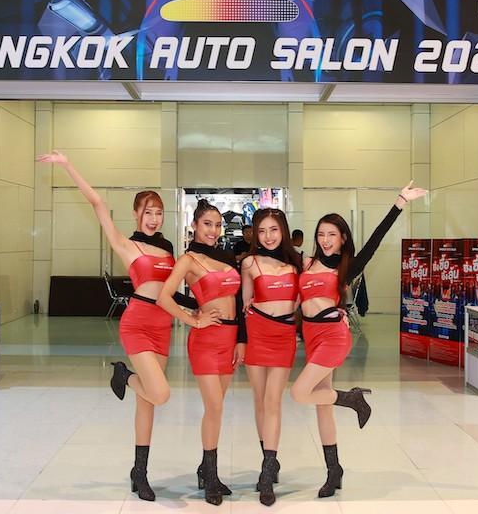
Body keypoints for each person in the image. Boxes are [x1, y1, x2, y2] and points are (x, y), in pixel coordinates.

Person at [35, 150, 204, 502]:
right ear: (136, 214)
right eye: (148, 212)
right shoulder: (126, 245)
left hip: (162, 326)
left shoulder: (168, 251)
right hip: (138, 324)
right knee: (160, 392)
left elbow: (172, 292)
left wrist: (198, 308)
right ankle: (123, 375)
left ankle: (140, 472)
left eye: (158, 212)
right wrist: (68, 165)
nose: (154, 218)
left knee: (148, 402)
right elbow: (97, 203)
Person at [290, 181, 427, 498]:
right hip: (311, 335)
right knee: (321, 405)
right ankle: (333, 471)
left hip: (332, 336)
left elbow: (375, 241)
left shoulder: (347, 267)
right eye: (321, 234)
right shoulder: (306, 263)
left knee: (300, 392)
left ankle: (352, 399)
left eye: (332, 235)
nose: (326, 240)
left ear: (343, 238)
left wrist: (399, 203)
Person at [156, 199, 244, 506]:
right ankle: (211, 475)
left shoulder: (226, 257)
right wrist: (193, 319)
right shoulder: (189, 260)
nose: (213, 230)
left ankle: (206, 470)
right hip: (206, 340)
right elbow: (163, 297)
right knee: (215, 407)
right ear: (194, 225)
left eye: (218, 225)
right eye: (207, 224)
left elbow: (238, 301)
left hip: (230, 338)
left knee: (216, 408)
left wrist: (241, 340)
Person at [240, 208, 302, 506]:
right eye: (262, 231)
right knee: (260, 400)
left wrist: (335, 310)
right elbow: (243, 305)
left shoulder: (297, 264)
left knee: (273, 401)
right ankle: (269, 459)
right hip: (256, 333)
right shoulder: (249, 262)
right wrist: (241, 341)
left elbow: (307, 298)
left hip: (283, 337)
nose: (268, 236)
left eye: (273, 230)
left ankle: (267, 471)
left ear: (284, 231)